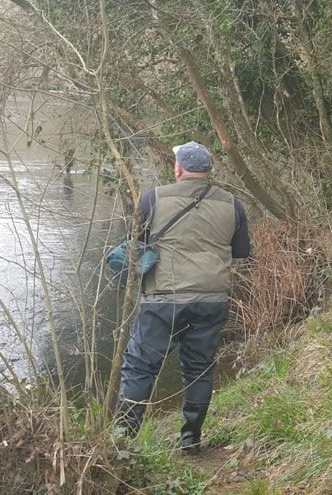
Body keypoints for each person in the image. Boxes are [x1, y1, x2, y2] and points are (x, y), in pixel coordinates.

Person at [115, 141, 252, 450]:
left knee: (139, 367)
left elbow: (134, 245)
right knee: (199, 368)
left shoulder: (152, 199)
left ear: (177, 168)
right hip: (211, 299)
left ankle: (122, 442)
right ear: (208, 170)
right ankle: (190, 438)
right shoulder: (233, 204)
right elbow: (242, 251)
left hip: (163, 299)